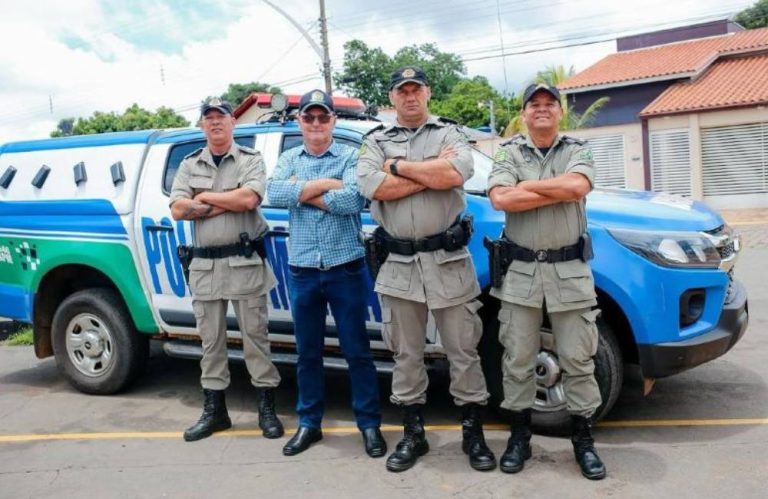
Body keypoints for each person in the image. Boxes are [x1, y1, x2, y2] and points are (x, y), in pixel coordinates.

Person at [357, 66, 495, 473]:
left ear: (428, 93)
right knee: (406, 355)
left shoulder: (449, 134)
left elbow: (457, 173)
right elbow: (372, 186)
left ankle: (473, 434)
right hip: (399, 265)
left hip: (449, 262)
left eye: (416, 89)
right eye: (403, 90)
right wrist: (430, 173)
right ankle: (412, 435)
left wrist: (397, 167)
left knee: (464, 352)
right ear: (392, 98)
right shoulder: (374, 141)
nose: (411, 96)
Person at [487, 82, 607, 480]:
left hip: (569, 272)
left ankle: (583, 441)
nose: (541, 110)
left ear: (559, 112)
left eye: (548, 104)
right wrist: (550, 191)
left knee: (577, 359)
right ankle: (519, 438)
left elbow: (577, 186)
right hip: (520, 272)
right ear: (523, 113)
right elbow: (501, 199)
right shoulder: (507, 151)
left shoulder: (577, 149)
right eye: (533, 104)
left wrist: (526, 187)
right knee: (518, 359)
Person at [266, 89, 386, 458]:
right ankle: (309, 424)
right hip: (303, 269)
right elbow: (273, 193)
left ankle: (369, 425)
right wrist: (326, 187)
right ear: (300, 121)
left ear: (334, 120)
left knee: (358, 352)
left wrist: (300, 191)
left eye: (323, 117)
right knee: (308, 354)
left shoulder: (352, 155)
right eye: (309, 117)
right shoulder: (288, 157)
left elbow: (353, 199)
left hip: (345, 268)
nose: (316, 123)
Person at [170, 97, 284, 442]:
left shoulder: (251, 159)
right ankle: (215, 412)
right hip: (204, 265)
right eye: (209, 118)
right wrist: (227, 197)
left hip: (244, 262)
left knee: (256, 340)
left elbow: (249, 200)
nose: (215, 122)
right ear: (202, 125)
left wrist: (204, 198)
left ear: (233, 122)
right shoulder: (190, 163)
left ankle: (267, 410)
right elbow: (177, 209)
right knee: (211, 342)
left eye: (221, 116)